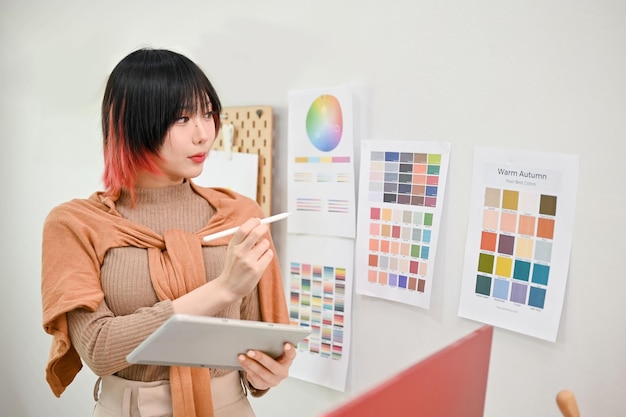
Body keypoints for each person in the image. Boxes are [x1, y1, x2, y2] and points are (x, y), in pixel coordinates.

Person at [41, 48, 295, 417]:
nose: (203, 134)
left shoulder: (240, 214)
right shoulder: (75, 224)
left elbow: (261, 340)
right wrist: (223, 288)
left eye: (208, 113)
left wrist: (269, 371)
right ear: (131, 123)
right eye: (181, 118)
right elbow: (99, 348)